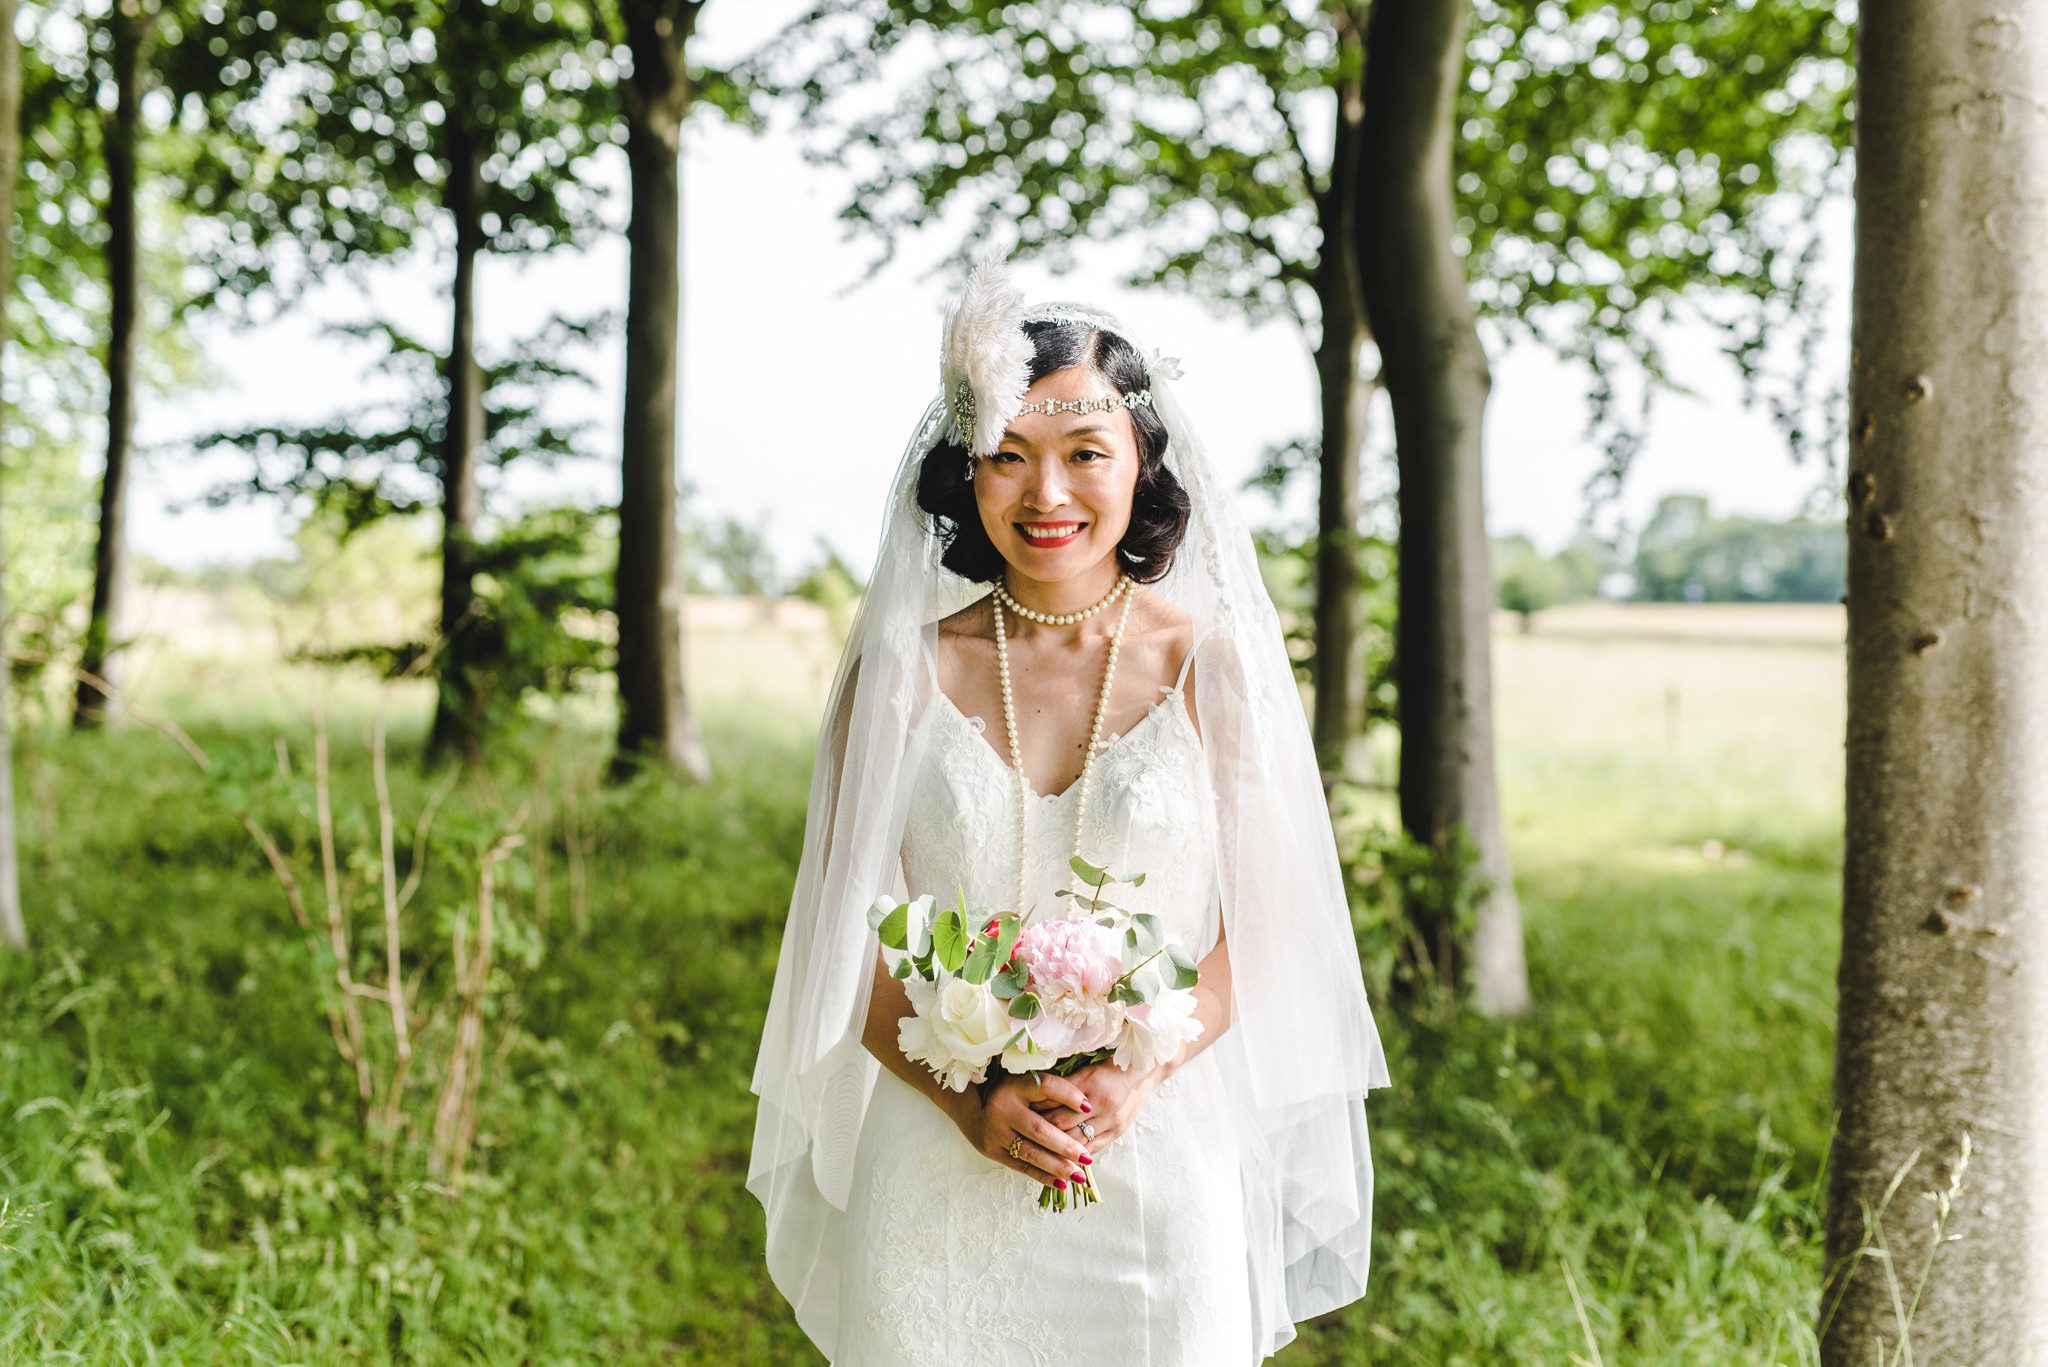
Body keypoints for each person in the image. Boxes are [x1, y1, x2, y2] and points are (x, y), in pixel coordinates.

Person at [746, 251, 1393, 1365]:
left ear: (1140, 464)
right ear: (966, 474)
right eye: (1007, 457)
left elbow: (1277, 922)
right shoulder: (899, 673)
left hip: (1157, 1165)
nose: (1045, 494)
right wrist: (962, 1100)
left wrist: (1137, 1070)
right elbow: (836, 935)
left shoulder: (1214, 669)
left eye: (1084, 453)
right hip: (932, 1175)